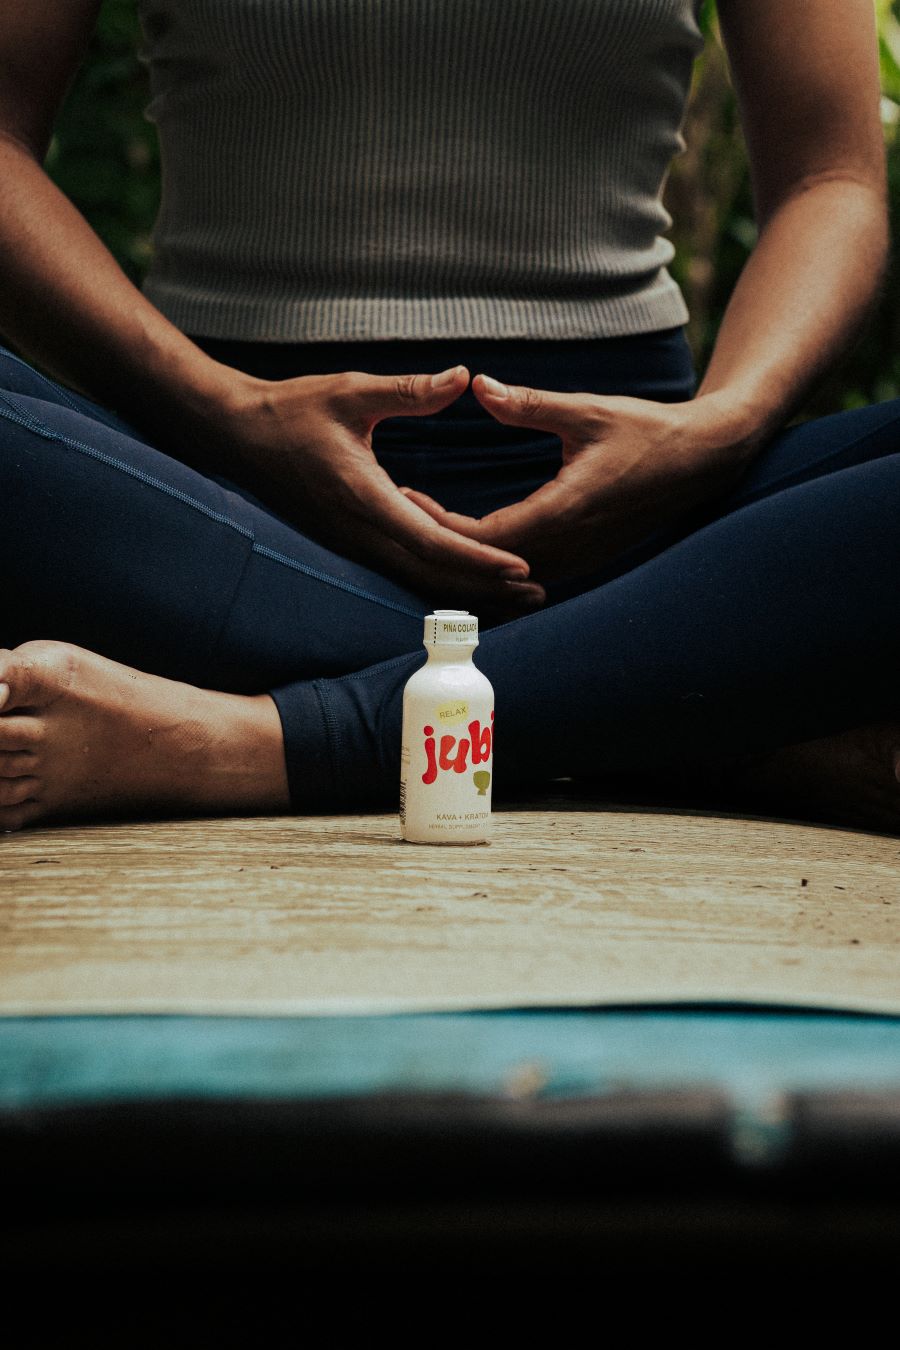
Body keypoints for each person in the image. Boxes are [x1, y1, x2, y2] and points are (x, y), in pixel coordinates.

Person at [1, 0, 898, 834]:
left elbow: (831, 179)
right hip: (212, 494)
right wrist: (226, 408)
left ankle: (288, 738)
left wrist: (724, 425)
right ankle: (661, 690)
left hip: (648, 524)